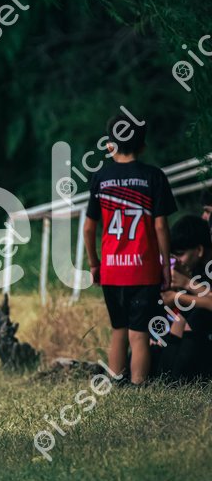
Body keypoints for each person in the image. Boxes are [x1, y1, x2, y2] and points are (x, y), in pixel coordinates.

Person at [84, 113, 176, 385]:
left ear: (110, 145)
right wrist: (165, 266)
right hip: (144, 270)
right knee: (139, 334)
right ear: (143, 146)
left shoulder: (100, 178)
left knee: (118, 330)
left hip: (112, 270)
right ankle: (138, 384)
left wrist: (94, 264)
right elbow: (161, 226)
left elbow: (88, 229)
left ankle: (114, 381)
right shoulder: (154, 177)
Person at [156, 216, 212, 381]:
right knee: (180, 317)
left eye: (180, 255)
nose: (178, 261)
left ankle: (179, 378)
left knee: (197, 316)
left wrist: (184, 287)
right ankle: (165, 378)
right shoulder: (198, 267)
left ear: (199, 250)